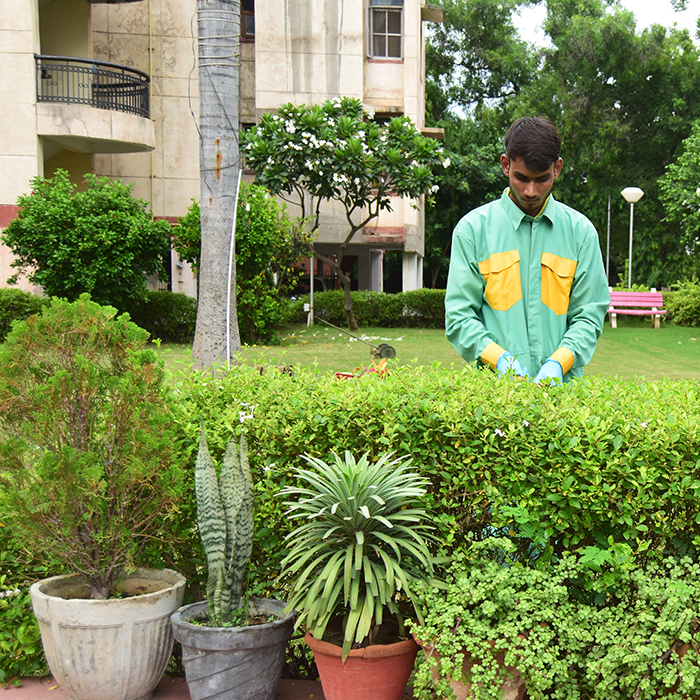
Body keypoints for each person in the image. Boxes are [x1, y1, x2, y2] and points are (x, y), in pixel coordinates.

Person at [444, 117, 610, 384]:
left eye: (541, 179)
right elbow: (459, 317)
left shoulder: (581, 234)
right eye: (521, 178)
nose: (531, 191)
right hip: (494, 393)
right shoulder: (472, 230)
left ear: (557, 169)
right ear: (505, 165)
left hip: (563, 393)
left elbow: (589, 315)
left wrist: (560, 361)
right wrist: (498, 359)